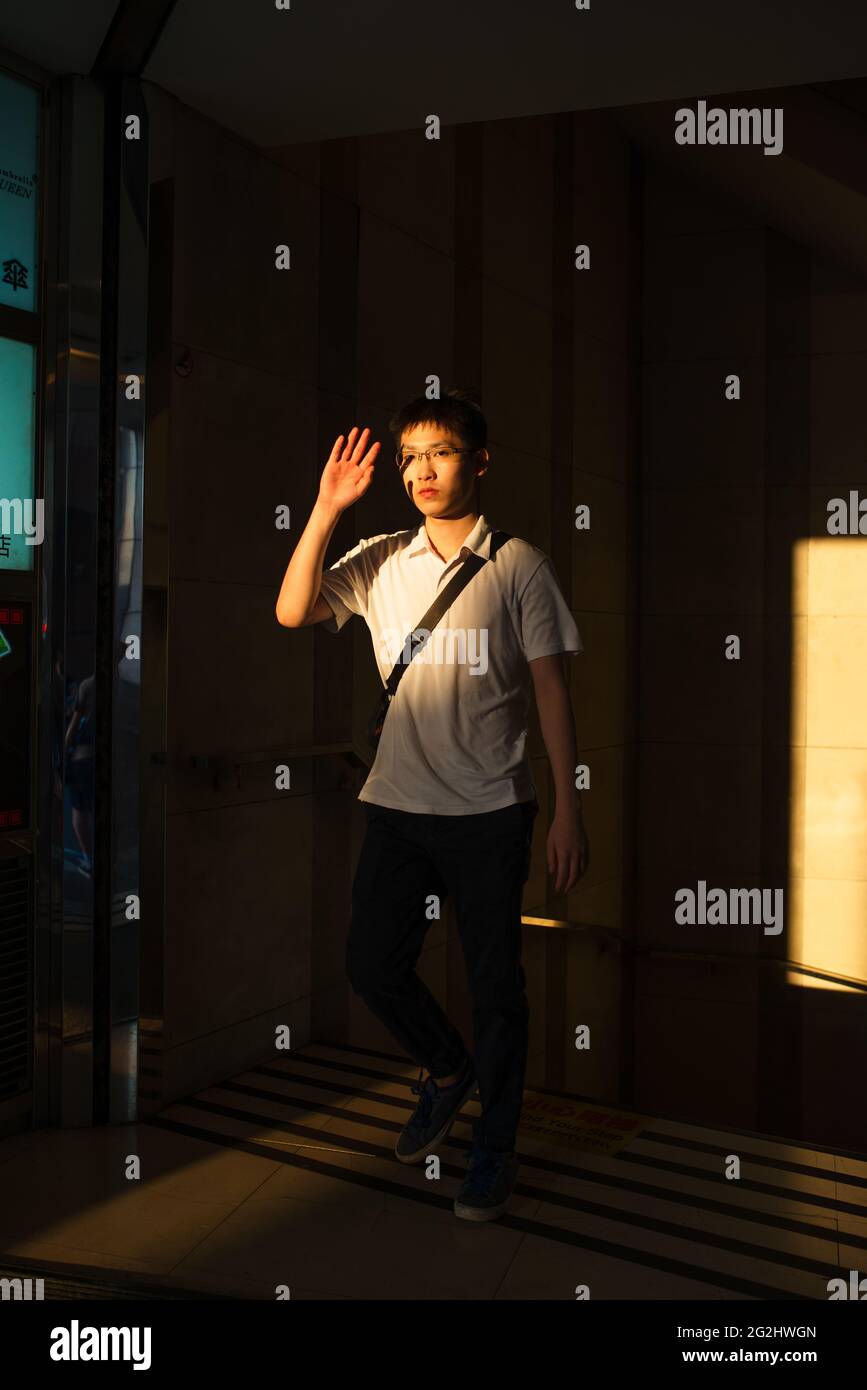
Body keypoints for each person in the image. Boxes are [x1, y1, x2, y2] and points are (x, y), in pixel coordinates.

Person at [276, 388, 589, 1222]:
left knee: (496, 989)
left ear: (478, 462)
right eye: (409, 456)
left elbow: (552, 693)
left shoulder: (518, 564)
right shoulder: (381, 559)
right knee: (371, 965)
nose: (421, 470)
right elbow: (292, 609)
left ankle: (494, 1150)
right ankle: (447, 1071)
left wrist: (567, 808)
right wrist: (324, 508)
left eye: (439, 452)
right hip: (398, 806)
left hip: (491, 813)